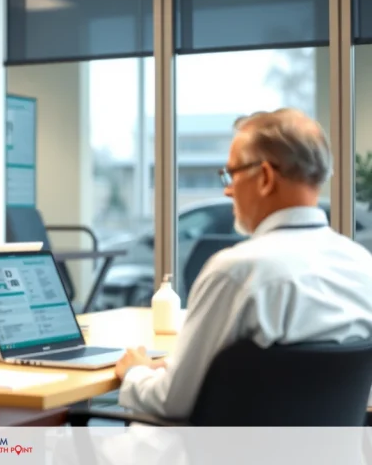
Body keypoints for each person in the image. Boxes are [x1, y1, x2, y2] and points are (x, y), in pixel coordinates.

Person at [114, 108, 372, 419]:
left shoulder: (236, 271)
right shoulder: (362, 265)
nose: (227, 189)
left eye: (232, 173)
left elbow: (172, 400)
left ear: (264, 177)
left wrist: (134, 373)